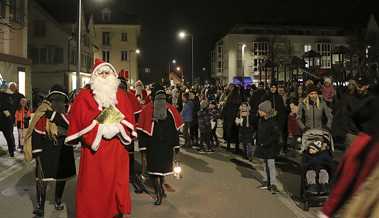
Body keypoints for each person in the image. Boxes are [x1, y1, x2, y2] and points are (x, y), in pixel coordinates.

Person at [65, 59, 136, 218]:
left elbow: (129, 122)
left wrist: (117, 127)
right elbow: (79, 123)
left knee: (116, 191)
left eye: (107, 72)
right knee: (93, 191)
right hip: (93, 154)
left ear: (113, 75)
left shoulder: (122, 96)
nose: (104, 76)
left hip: (117, 152)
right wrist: (100, 128)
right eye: (101, 73)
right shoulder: (84, 96)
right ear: (94, 76)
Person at [24, 85, 76, 217]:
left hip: (63, 149)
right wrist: (37, 152)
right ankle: (40, 206)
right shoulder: (43, 112)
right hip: (46, 150)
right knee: (42, 178)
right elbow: (36, 132)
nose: (57, 102)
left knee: (61, 178)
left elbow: (71, 125)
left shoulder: (68, 112)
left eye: (60, 99)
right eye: (55, 99)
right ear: (50, 99)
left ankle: (58, 200)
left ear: (65, 100)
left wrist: (54, 115)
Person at [137, 84, 183, 205]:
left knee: (155, 171)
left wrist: (143, 148)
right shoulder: (171, 109)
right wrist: (176, 147)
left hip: (154, 147)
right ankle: (160, 191)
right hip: (166, 147)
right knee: (161, 171)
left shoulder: (147, 109)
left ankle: (159, 195)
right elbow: (175, 132)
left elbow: (142, 131)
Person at [254, 100, 280, 194]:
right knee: (264, 164)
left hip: (270, 147)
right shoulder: (261, 120)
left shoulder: (272, 121)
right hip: (263, 145)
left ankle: (273, 183)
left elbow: (276, 135)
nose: (259, 111)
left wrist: (266, 143)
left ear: (266, 111)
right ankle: (266, 181)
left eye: (261, 110)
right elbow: (259, 131)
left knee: (271, 165)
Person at [0, 88, 16, 157]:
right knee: (9, 136)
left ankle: (11, 151)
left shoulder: (6, 96)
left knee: (9, 136)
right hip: (7, 120)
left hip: (5, 120)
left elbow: (5, 108)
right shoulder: (9, 96)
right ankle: (11, 152)